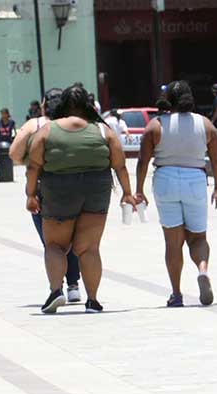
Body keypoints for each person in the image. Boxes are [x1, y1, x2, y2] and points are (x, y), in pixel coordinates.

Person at [23, 85, 136, 314]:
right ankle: (93, 301)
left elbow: (33, 166)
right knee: (90, 249)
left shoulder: (47, 130)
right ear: (88, 105)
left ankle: (56, 291)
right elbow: (120, 165)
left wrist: (31, 194)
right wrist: (127, 192)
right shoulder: (103, 131)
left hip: (58, 190)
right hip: (96, 190)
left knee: (55, 245)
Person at [134, 80, 217, 308]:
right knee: (198, 237)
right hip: (195, 179)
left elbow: (142, 161)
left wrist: (138, 190)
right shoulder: (204, 124)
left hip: (165, 179)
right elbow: (216, 159)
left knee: (173, 242)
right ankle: (202, 270)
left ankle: (176, 294)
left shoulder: (156, 126)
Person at [11, 88, 82, 306]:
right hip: (75, 185)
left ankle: (56, 287)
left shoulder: (36, 125)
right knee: (72, 237)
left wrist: (33, 160)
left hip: (42, 188)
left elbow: (13, 153)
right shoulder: (76, 123)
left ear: (43, 105)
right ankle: (74, 285)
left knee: (51, 242)